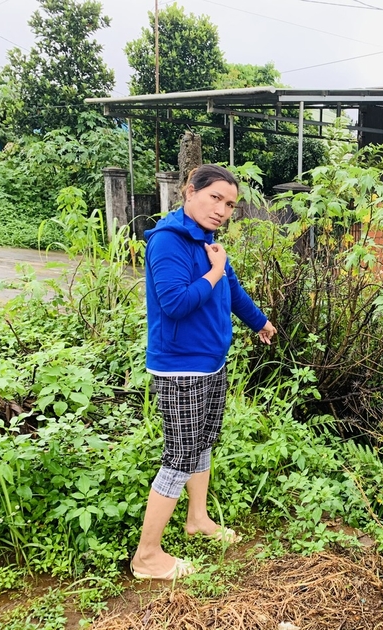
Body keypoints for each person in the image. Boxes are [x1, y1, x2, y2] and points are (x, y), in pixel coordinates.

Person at [130, 164, 277, 580]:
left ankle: (197, 519)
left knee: (203, 443)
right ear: (190, 191)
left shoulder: (207, 239)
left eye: (230, 204)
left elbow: (230, 289)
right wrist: (213, 272)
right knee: (179, 455)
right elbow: (175, 303)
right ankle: (147, 556)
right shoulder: (168, 242)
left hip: (210, 363)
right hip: (181, 369)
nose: (223, 210)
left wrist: (259, 321)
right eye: (215, 198)